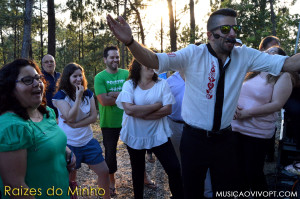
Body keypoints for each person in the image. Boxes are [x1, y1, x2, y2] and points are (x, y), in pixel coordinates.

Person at [106, 8, 300, 198]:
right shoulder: (193, 54)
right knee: (192, 192)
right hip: (194, 140)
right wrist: (130, 42)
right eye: (225, 30)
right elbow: (154, 60)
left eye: (235, 28)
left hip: (225, 140)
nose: (232, 34)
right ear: (210, 35)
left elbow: (289, 64)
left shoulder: (245, 55)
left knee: (226, 192)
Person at [0, 59, 73, 199]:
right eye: (27, 80)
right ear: (10, 88)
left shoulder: (46, 112)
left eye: (38, 78)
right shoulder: (11, 127)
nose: (37, 84)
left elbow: (46, 141)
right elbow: (16, 187)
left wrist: (66, 152)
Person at [115, 59, 183, 199]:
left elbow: (168, 109)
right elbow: (128, 109)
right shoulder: (129, 85)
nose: (152, 66)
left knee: (174, 168)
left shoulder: (161, 84)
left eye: (154, 63)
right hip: (135, 133)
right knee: (138, 171)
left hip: (158, 134)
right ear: (138, 67)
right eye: (148, 62)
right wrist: (156, 106)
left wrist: (142, 114)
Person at [232, 46, 294, 194]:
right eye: (266, 52)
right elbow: (236, 92)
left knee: (254, 174)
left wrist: (247, 113)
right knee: (238, 174)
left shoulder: (283, 76)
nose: (267, 54)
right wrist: (233, 107)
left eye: (273, 53)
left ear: (281, 59)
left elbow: (277, 104)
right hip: (236, 129)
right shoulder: (252, 73)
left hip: (257, 133)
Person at [52, 63, 110, 199]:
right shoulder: (60, 96)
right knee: (71, 177)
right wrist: (78, 97)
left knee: (104, 171)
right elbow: (69, 116)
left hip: (87, 141)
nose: (78, 79)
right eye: (74, 76)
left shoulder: (88, 93)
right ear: (67, 78)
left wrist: (76, 125)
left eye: (80, 76)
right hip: (69, 144)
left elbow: (93, 117)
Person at [94, 46, 128, 196]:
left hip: (128, 120)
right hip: (109, 123)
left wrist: (112, 93)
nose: (115, 60)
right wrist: (123, 96)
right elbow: (103, 101)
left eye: (117, 57)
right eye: (112, 57)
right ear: (105, 59)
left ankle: (144, 178)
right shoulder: (100, 77)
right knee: (110, 154)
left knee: (137, 151)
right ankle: (112, 182)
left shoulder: (127, 74)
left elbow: (133, 95)